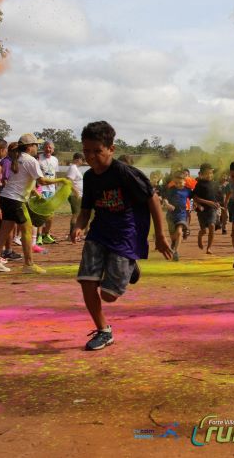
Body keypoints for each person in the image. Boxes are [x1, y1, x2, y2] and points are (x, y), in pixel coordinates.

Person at [70, 121, 172, 351]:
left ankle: (130, 266)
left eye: (97, 151)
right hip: (99, 232)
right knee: (86, 280)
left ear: (111, 149)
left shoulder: (125, 173)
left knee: (108, 295)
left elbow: (152, 200)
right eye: (87, 151)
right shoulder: (89, 177)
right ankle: (104, 331)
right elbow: (86, 210)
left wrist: (160, 235)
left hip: (126, 234)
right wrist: (79, 226)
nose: (91, 157)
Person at [0, 134, 67, 274]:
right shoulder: (30, 160)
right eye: (36, 145)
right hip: (15, 200)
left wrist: (36, 194)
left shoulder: (17, 158)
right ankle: (28, 264)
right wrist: (61, 180)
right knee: (27, 229)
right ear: (30, 146)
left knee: (5, 231)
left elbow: (25, 182)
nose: (37, 147)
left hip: (6, 197)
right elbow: (41, 181)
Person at [162, 171, 191, 262]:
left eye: (180, 182)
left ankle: (176, 252)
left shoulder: (188, 190)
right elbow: (165, 199)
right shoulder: (171, 190)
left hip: (182, 214)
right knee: (173, 235)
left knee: (179, 232)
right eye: (176, 182)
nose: (178, 184)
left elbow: (195, 197)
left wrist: (197, 205)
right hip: (171, 215)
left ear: (184, 181)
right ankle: (173, 241)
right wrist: (168, 205)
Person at [193, 163, 221, 255]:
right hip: (202, 210)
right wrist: (208, 203)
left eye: (211, 173)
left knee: (212, 226)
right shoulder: (199, 184)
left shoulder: (215, 184)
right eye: (207, 173)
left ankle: (209, 247)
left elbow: (216, 196)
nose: (209, 175)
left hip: (212, 210)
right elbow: (196, 198)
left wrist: (218, 203)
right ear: (201, 174)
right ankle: (200, 236)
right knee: (204, 230)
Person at [38, 140, 59, 245]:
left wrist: (56, 186)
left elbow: (55, 175)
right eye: (46, 147)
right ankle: (39, 236)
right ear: (43, 148)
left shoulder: (55, 160)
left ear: (53, 149)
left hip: (51, 190)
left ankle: (46, 235)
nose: (48, 149)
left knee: (50, 215)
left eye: (50, 147)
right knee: (41, 214)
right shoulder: (39, 158)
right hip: (41, 189)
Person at [66, 153, 85, 240]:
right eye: (82, 160)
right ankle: (71, 235)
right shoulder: (73, 168)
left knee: (78, 214)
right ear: (78, 159)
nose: (82, 162)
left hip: (78, 194)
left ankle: (74, 234)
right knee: (76, 214)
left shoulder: (75, 168)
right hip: (74, 195)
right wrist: (75, 191)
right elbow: (69, 181)